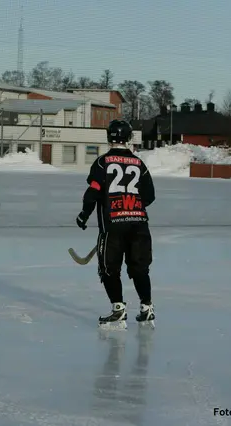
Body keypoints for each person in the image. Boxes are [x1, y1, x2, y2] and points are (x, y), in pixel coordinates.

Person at [75, 119, 156, 327]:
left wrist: (84, 214)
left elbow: (93, 191)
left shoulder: (103, 162)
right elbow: (149, 195)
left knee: (109, 268)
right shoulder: (139, 163)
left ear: (109, 137)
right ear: (129, 138)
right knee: (139, 268)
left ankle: (118, 308)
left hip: (113, 225)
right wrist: (133, 206)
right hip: (139, 224)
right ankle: (147, 308)